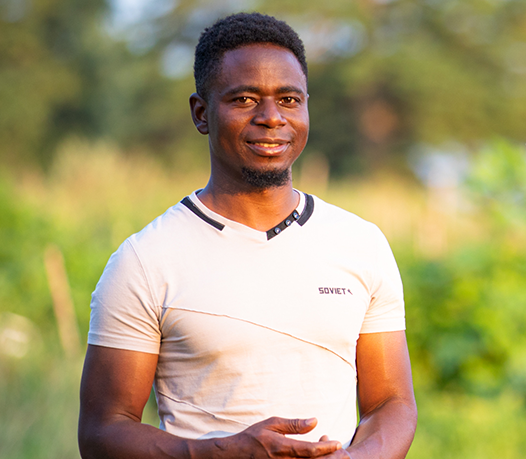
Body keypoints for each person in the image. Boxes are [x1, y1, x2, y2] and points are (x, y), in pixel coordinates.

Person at [78, 12, 417, 459]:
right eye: (244, 99)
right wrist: (217, 453)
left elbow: (391, 403)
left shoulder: (361, 243)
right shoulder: (145, 260)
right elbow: (103, 431)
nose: (272, 118)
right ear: (202, 113)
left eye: (290, 99)